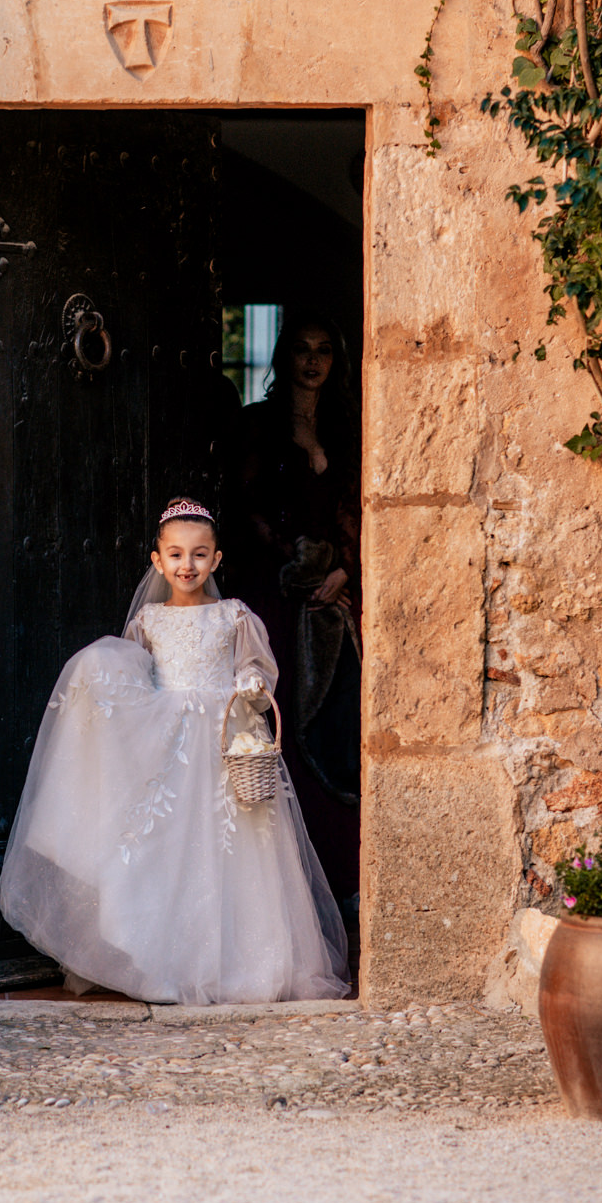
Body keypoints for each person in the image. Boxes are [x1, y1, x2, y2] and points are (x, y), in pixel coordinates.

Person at [0, 498, 349, 1005]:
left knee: (230, 849)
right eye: (177, 555)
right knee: (164, 849)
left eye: (200, 555)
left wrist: (248, 685)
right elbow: (134, 674)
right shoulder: (149, 620)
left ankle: (238, 966)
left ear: (217, 560)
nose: (188, 565)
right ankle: (157, 963)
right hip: (168, 745)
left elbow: (257, 666)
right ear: (158, 561)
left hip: (224, 737)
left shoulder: (234, 615)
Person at [233, 311, 362, 914]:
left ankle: (340, 877)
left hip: (332, 594)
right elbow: (247, 510)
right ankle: (281, 887)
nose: (312, 360)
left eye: (325, 349)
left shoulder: (349, 428)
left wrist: (345, 570)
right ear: (285, 358)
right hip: (278, 594)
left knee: (336, 721)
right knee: (275, 724)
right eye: (303, 349)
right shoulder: (258, 428)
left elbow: (362, 507)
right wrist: (299, 564)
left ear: (336, 361)